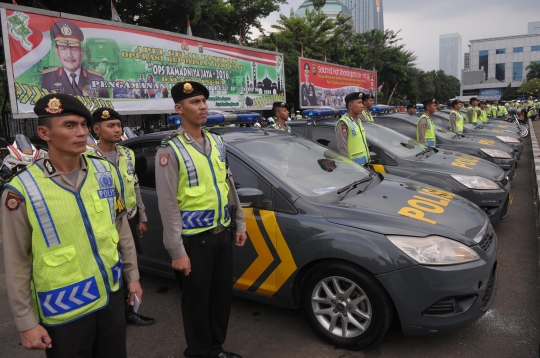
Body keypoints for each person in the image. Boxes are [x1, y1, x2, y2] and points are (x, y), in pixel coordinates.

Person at [2, 94, 142, 357]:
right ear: (44, 132)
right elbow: (17, 261)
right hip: (63, 312)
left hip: (111, 297)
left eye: (83, 125)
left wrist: (132, 277)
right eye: (69, 125)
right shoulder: (22, 190)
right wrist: (26, 322)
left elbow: (121, 229)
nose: (81, 133)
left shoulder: (105, 172)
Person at [155, 81, 247, 358]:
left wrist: (239, 222)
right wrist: (176, 250)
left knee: (221, 299)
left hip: (222, 234)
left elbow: (228, 185)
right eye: (195, 102)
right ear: (179, 109)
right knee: (196, 302)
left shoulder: (217, 141)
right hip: (194, 241)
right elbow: (168, 203)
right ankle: (198, 352)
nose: (203, 106)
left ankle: (215, 348)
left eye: (204, 100)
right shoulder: (169, 149)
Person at [87, 107, 155, 326]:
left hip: (129, 218)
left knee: (129, 262)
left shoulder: (127, 154)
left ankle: (129, 311)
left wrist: (142, 217)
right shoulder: (87, 158)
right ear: (96, 129)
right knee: (107, 265)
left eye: (118, 125)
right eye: (111, 126)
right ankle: (108, 312)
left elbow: (134, 187)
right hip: (104, 222)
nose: (117, 130)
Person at [41, 20, 109, 98]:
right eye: (63, 49)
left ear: (81, 53)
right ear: (57, 52)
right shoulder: (48, 78)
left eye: (74, 49)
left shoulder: (97, 79)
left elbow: (106, 106)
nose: (69, 55)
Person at [335, 92, 370, 166]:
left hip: (364, 165)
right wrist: (349, 166)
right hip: (354, 167)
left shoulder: (358, 121)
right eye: (359, 103)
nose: (362, 106)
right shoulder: (343, 123)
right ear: (350, 105)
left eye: (362, 103)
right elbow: (342, 149)